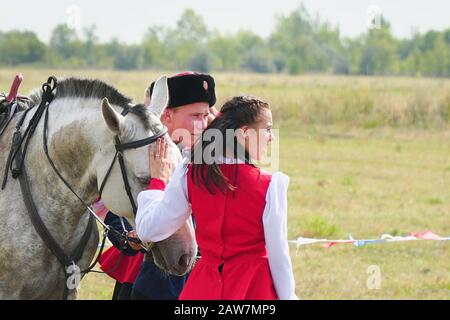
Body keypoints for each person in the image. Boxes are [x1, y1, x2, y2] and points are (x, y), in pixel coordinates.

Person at [136, 96, 298, 300]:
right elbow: (279, 256)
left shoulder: (189, 172)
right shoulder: (271, 185)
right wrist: (289, 296)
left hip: (203, 288)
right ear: (245, 133)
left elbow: (148, 229)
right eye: (267, 129)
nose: (271, 137)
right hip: (254, 289)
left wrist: (158, 182)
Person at [98, 71, 217, 300]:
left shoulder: (212, 156)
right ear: (167, 116)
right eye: (195, 115)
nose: (203, 124)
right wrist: (129, 238)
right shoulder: (139, 157)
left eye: (206, 115)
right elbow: (118, 207)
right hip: (151, 277)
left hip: (201, 275)